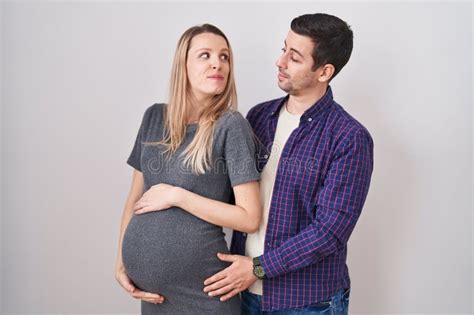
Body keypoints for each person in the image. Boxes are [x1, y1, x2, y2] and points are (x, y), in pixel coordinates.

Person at [202, 13, 374, 314]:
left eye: (294, 57)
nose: (280, 62)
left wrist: (257, 268)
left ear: (324, 72)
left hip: (307, 303)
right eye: (284, 49)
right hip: (240, 293)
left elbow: (329, 231)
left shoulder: (350, 138)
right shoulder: (257, 118)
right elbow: (228, 196)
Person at [114, 24, 261, 315]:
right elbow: (134, 199)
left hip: (204, 293)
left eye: (224, 57)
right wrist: (121, 261)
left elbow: (249, 217)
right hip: (154, 296)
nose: (217, 63)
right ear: (183, 65)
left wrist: (177, 196)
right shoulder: (154, 117)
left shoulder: (231, 126)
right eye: (204, 55)